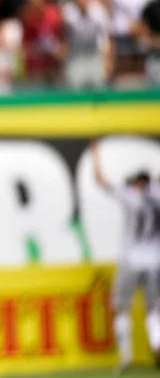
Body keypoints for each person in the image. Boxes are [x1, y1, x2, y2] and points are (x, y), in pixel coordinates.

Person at [91, 140, 160, 375]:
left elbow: (101, 181)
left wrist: (95, 155)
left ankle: (126, 355)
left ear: (138, 182)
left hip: (131, 260)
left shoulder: (131, 195)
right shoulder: (157, 195)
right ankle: (157, 344)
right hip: (155, 261)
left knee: (122, 307)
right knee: (155, 308)